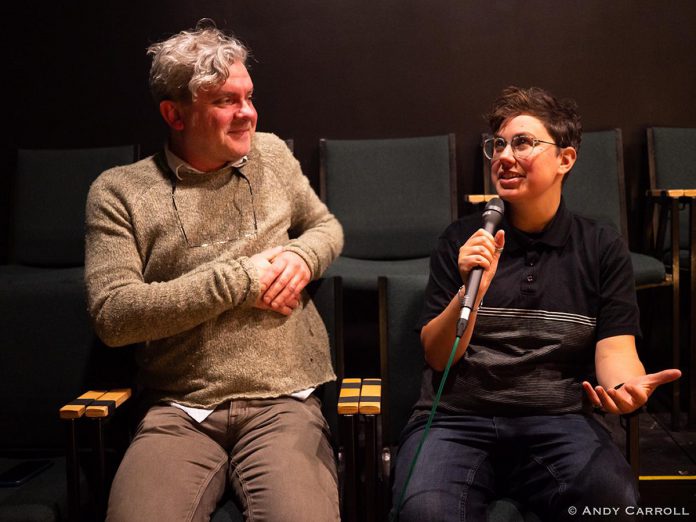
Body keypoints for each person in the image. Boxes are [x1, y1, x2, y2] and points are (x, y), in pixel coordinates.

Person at [84, 22, 343, 522]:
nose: (248, 112)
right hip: (178, 408)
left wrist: (301, 257)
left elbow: (325, 227)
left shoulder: (272, 154)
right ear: (174, 115)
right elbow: (114, 315)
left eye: (248, 96)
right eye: (227, 101)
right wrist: (241, 281)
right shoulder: (119, 192)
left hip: (285, 400)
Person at [391, 86, 680, 521]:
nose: (504, 156)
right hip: (458, 421)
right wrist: (472, 288)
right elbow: (437, 356)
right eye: (499, 145)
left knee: (612, 504)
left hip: (560, 421)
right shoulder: (463, 240)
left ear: (566, 159)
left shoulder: (601, 246)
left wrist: (626, 390)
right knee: (425, 511)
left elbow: (616, 352)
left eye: (523, 143)